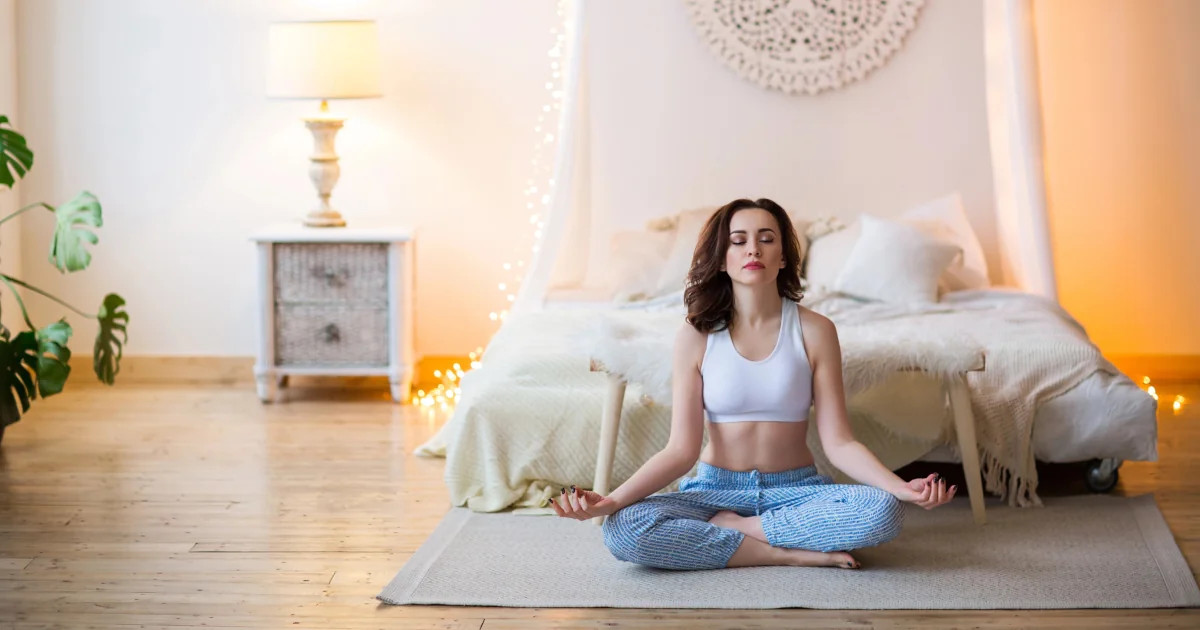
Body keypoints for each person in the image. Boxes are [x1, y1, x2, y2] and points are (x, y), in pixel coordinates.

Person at [550, 198, 957, 571]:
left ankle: (736, 532)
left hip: (795, 489)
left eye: (767, 239)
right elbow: (680, 450)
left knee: (881, 512)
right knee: (624, 528)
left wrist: (900, 487)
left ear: (783, 257)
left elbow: (840, 443)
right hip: (713, 491)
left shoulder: (816, 331)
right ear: (721, 258)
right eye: (738, 241)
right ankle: (783, 552)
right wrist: (613, 501)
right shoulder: (696, 337)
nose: (753, 250)